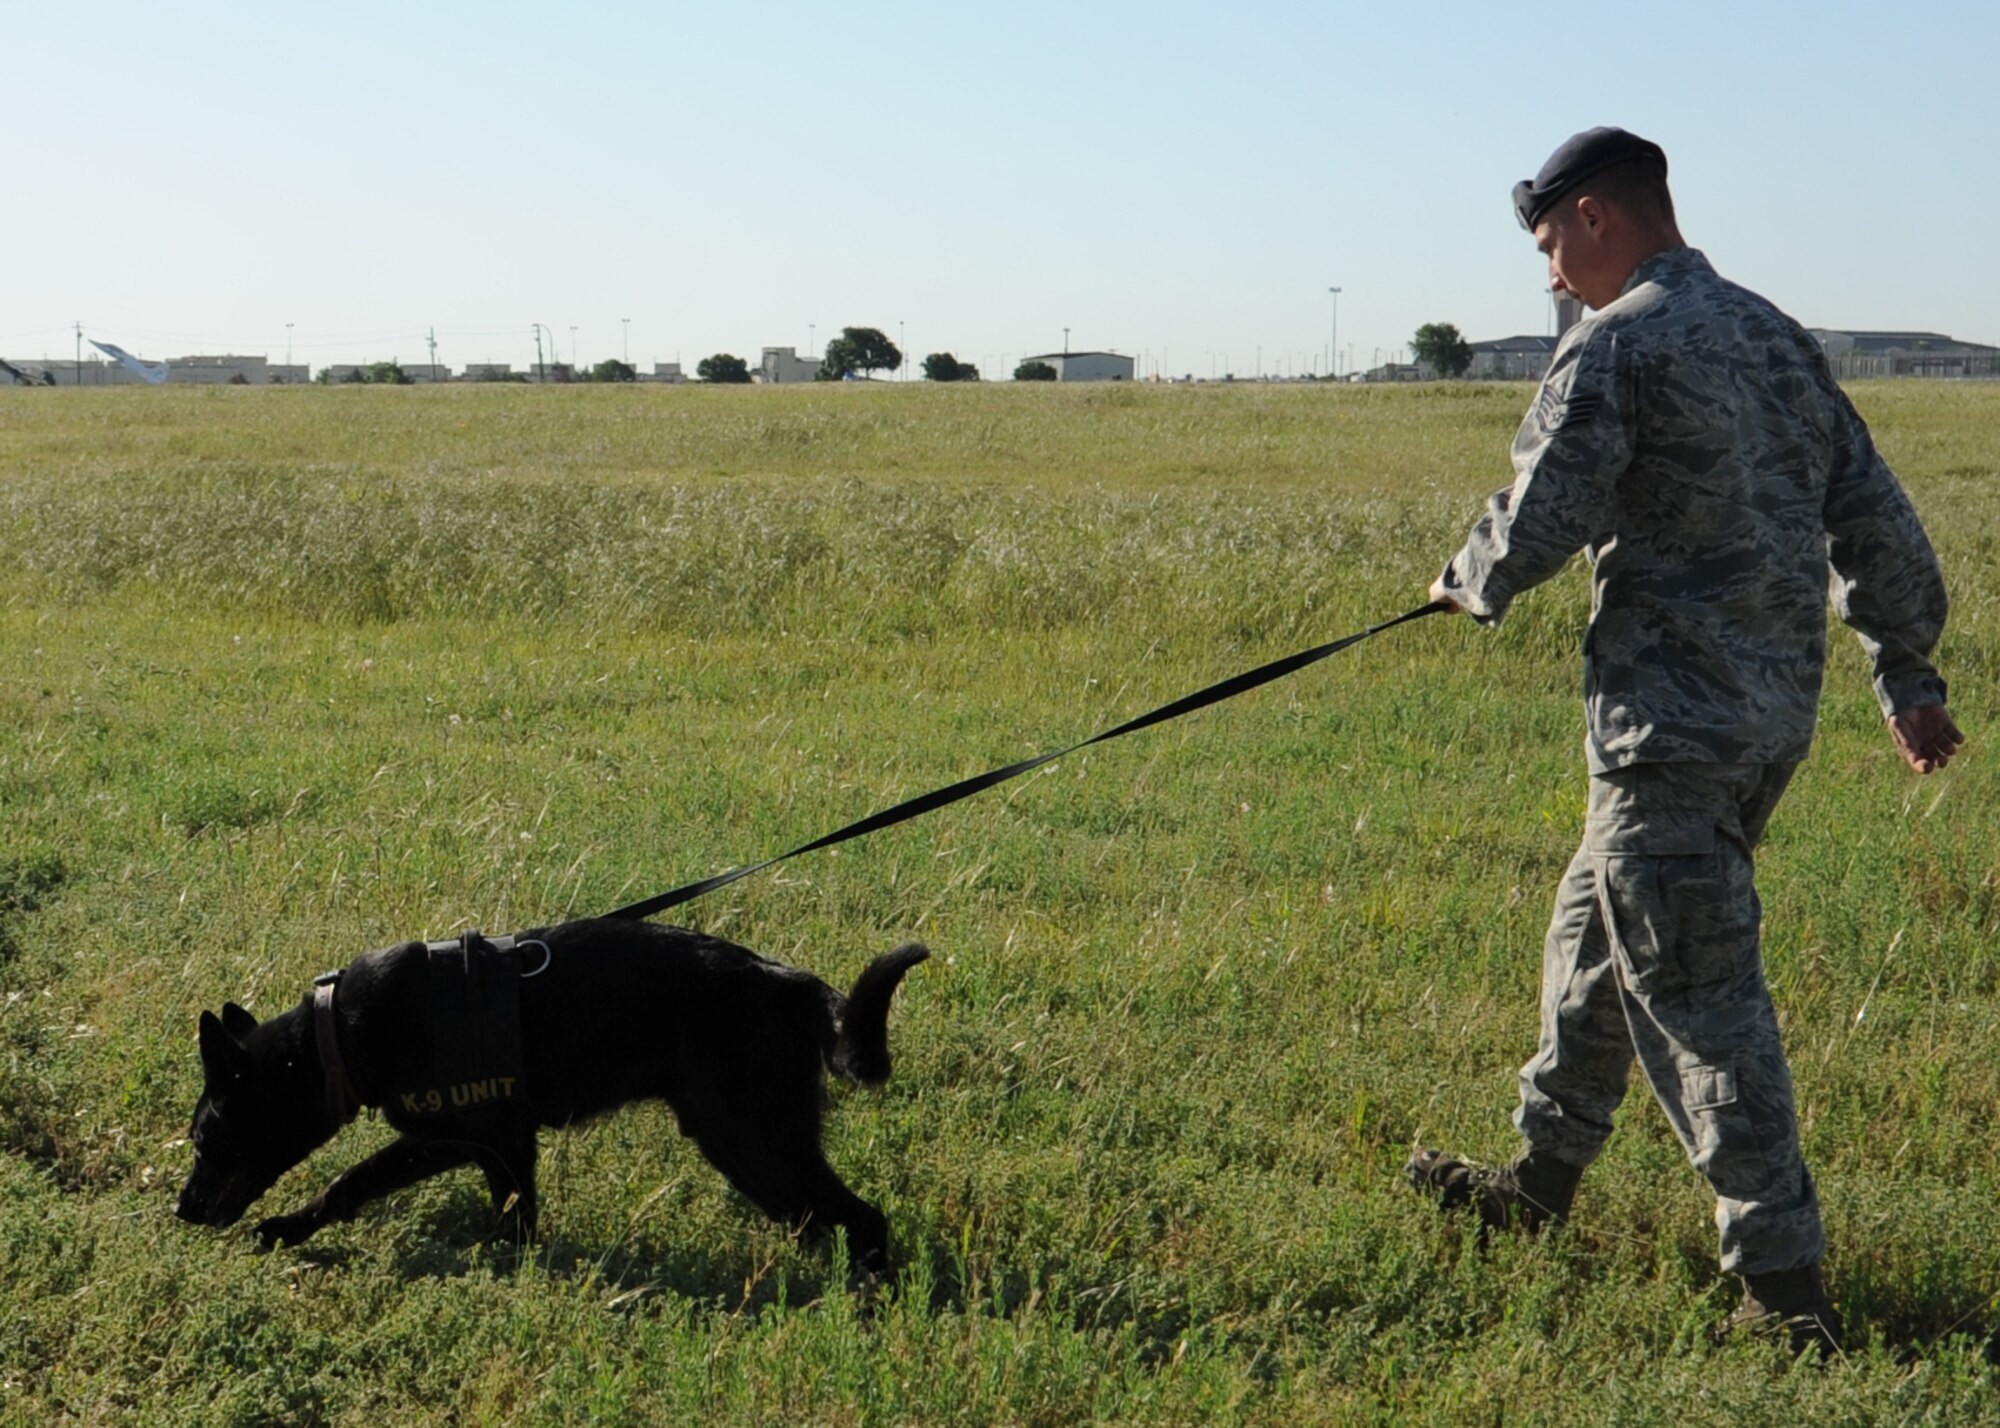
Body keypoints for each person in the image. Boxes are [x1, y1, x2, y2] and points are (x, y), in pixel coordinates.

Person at [1407, 127, 1964, 1356]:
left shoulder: (1619, 345)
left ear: (1597, 218)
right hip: (1765, 726)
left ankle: (1782, 1287)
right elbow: (1876, 513)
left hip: (1666, 730)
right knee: (1595, 938)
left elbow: (1543, 507)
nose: (1551, 275)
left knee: (1698, 997)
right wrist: (1904, 669)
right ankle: (1537, 1183)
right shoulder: (1772, 335)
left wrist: (1467, 580)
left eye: (1552, 246)